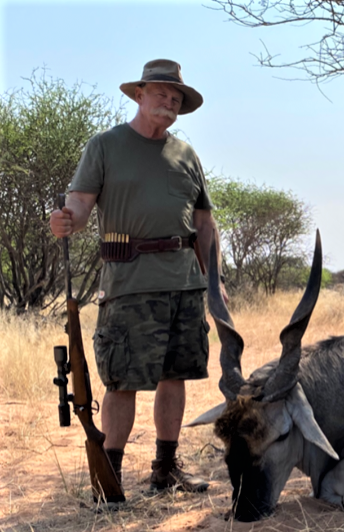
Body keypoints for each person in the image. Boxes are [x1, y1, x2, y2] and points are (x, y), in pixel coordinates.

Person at [50, 59, 225, 494]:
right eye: (162, 94)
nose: (169, 102)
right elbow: (80, 203)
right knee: (123, 381)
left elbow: (203, 222)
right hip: (130, 285)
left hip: (184, 284)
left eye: (176, 98)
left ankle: (166, 468)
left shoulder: (186, 154)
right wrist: (67, 220)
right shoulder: (105, 146)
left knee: (176, 375)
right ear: (139, 95)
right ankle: (108, 477)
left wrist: (215, 282)